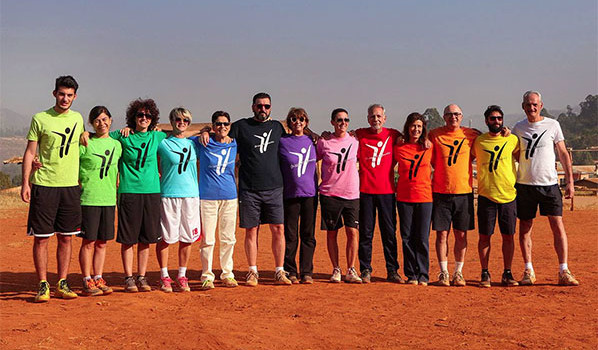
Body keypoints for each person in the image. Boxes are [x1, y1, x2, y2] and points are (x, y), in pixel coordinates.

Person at [201, 93, 291, 286]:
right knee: (251, 231)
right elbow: (221, 133)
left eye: (266, 106)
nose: (263, 110)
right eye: (259, 106)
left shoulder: (277, 127)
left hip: (274, 187)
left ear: (271, 107)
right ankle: (252, 271)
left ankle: (279, 271)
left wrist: (315, 134)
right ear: (253, 107)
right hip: (249, 188)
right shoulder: (241, 127)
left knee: (279, 229)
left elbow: (293, 140)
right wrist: (205, 131)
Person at [21, 75, 84, 302]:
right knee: (42, 238)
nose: (65, 98)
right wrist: (25, 182)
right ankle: (42, 284)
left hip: (70, 186)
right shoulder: (40, 118)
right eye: (61, 94)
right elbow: (30, 152)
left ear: (75, 96)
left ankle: (62, 282)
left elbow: (85, 142)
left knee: (66, 238)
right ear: (54, 93)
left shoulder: (78, 119)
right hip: (44, 184)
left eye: (69, 95)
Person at [512, 91, 579, 286]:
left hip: (549, 185)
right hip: (525, 186)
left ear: (541, 105)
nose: (531, 108)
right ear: (523, 106)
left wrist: (570, 182)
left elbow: (563, 153)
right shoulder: (518, 128)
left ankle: (563, 270)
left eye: (534, 104)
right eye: (527, 105)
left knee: (557, 226)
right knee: (525, 228)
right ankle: (528, 270)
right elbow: (514, 154)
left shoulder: (553, 125)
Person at [110, 98, 166, 292]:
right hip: (129, 191)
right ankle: (128, 277)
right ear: (133, 117)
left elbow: (178, 131)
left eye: (147, 115)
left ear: (153, 119)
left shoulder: (157, 136)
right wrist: (86, 132)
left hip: (151, 192)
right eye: (140, 115)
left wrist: (208, 131)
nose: (144, 118)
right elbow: (100, 136)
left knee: (145, 238)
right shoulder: (122, 136)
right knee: (128, 238)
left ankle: (142, 276)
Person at [428, 104, 480, 286]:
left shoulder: (471, 135)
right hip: (441, 193)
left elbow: (491, 137)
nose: (453, 117)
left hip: (463, 193)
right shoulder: (434, 135)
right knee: (441, 234)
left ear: (462, 116)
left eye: (457, 114)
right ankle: (443, 272)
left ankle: (458, 272)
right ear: (444, 116)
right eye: (449, 114)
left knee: (461, 235)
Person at [472, 105, 519, 288]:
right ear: (486, 121)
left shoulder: (512, 140)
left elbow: (520, 155)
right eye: (492, 118)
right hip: (486, 196)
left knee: (508, 236)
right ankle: (485, 272)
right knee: (485, 236)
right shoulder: (478, 141)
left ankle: (507, 272)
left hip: (508, 196)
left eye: (499, 118)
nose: (496, 121)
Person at [355, 104, 402, 283]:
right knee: (366, 233)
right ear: (368, 119)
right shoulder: (360, 134)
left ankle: (392, 270)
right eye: (373, 116)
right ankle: (365, 269)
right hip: (365, 191)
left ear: (385, 118)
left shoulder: (393, 135)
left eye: (379, 116)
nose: (376, 119)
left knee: (389, 233)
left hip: (387, 192)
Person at [156, 107, 201, 292]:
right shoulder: (163, 143)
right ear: (171, 121)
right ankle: (164, 275)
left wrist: (203, 131)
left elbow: (206, 132)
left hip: (191, 195)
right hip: (169, 195)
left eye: (185, 120)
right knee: (166, 238)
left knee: (187, 237)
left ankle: (182, 275)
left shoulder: (194, 144)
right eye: (177, 119)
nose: (181, 123)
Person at [78, 106, 122, 296]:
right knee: (88, 241)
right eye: (97, 121)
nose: (101, 124)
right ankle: (87, 279)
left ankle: (98, 277)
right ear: (91, 124)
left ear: (110, 121)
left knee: (102, 242)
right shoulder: (85, 143)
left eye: (105, 120)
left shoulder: (117, 145)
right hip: (89, 198)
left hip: (109, 198)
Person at [195, 111, 239, 289]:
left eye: (226, 124)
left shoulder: (234, 143)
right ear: (213, 126)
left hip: (229, 196)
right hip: (207, 197)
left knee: (229, 238)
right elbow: (182, 138)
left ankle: (227, 274)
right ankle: (207, 275)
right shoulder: (204, 142)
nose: (223, 127)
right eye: (218, 124)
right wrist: (203, 132)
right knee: (208, 239)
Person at [317, 108, 362, 283]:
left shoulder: (355, 141)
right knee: (332, 233)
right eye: (339, 120)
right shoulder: (324, 142)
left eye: (345, 120)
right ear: (332, 122)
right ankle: (336, 268)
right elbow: (314, 158)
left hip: (351, 193)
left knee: (352, 232)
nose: (342, 123)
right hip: (330, 193)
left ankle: (351, 269)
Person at [279, 108, 318, 284]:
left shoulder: (313, 141)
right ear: (289, 123)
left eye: (301, 119)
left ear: (306, 122)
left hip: (310, 193)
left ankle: (307, 271)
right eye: (294, 119)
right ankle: (291, 270)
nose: (298, 122)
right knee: (291, 234)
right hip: (290, 194)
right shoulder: (282, 142)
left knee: (308, 234)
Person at [394, 113, 433, 286]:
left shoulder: (429, 147)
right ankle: (411, 274)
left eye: (419, 126)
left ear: (423, 128)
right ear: (407, 127)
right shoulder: (399, 147)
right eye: (413, 126)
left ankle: (423, 273)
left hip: (424, 197)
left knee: (422, 237)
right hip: (404, 197)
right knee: (407, 237)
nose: (416, 129)